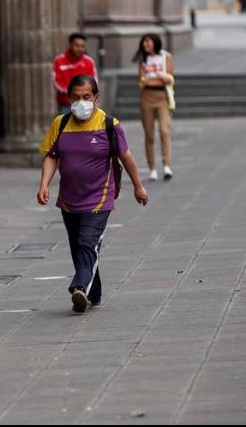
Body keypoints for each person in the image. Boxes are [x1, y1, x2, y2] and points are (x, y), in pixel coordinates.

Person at [37, 75, 149, 314]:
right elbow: (51, 156)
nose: (81, 102)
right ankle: (93, 293)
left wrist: (138, 187)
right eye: (76, 97)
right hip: (69, 199)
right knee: (79, 248)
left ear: (96, 98)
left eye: (86, 97)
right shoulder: (61, 123)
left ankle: (79, 288)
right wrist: (44, 184)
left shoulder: (109, 124)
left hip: (99, 197)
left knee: (88, 243)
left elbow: (125, 157)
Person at [134, 33, 174, 182]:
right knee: (149, 134)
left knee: (164, 130)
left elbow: (169, 78)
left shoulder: (166, 56)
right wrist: (158, 78)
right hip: (147, 98)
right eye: (144, 43)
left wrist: (153, 79)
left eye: (148, 42)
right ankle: (152, 168)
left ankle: (166, 165)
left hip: (163, 97)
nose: (146, 45)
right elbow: (143, 81)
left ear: (155, 43)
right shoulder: (143, 60)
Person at [53, 33, 99, 115]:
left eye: (82, 46)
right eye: (77, 45)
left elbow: (93, 82)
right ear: (70, 45)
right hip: (66, 105)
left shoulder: (89, 62)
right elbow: (57, 82)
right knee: (65, 127)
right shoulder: (59, 60)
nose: (80, 49)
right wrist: (73, 94)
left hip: (85, 105)